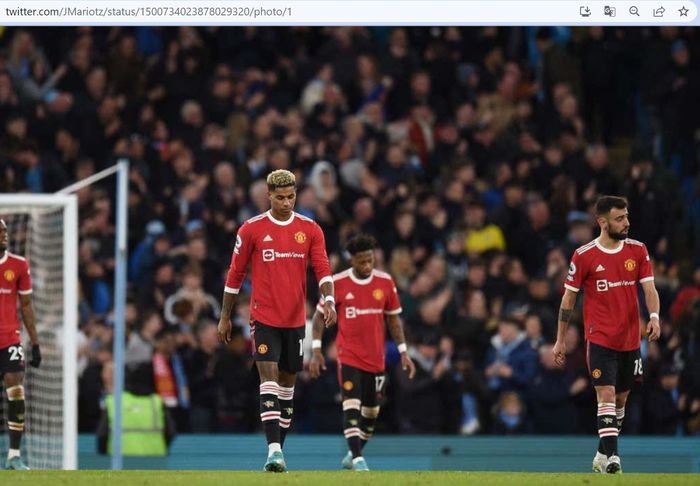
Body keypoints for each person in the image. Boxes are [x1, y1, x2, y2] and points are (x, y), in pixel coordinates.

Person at [217, 169, 337, 473]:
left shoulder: (310, 229)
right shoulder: (252, 229)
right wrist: (225, 315)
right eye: (280, 197)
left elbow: (322, 269)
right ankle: (272, 450)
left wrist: (330, 300)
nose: (286, 202)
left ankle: (277, 452)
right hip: (264, 317)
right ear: (268, 196)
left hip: (296, 320)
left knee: (287, 387)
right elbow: (235, 273)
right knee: (267, 379)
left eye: (291, 196)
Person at [553, 196, 660, 474]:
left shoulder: (637, 251)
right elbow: (568, 300)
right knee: (606, 395)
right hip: (599, 338)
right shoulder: (584, 255)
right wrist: (560, 339)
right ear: (602, 222)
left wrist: (655, 317)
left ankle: (602, 453)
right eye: (619, 218)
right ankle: (614, 459)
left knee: (621, 400)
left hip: (630, 339)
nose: (627, 223)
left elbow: (649, 289)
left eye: (626, 216)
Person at [309, 234, 415, 471]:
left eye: (370, 260)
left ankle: (352, 454)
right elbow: (318, 317)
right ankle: (358, 459)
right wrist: (316, 350)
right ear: (352, 261)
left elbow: (394, 320)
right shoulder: (337, 283)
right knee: (351, 405)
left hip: (377, 359)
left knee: (371, 412)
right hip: (348, 356)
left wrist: (404, 352)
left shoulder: (386, 282)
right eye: (361, 261)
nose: (367, 265)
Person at [0, 219, 41, 470]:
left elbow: (26, 306)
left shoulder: (19, 265)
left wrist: (35, 343)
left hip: (9, 339)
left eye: (4, 230)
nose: (3, 235)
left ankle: (14, 455)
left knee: (16, 391)